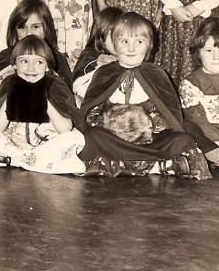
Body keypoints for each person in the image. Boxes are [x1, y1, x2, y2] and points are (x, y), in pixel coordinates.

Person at [78, 12, 211, 179]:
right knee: (92, 137)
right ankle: (158, 165)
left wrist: (150, 125)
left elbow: (169, 114)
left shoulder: (156, 73)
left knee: (181, 140)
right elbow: (91, 109)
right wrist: (107, 122)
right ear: (114, 44)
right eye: (124, 41)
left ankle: (120, 165)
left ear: (149, 45)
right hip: (113, 139)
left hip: (150, 140)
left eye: (139, 42)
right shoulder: (105, 72)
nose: (131, 48)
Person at [0, 36, 86, 174]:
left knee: (74, 138)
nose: (31, 68)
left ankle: (14, 161)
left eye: (39, 62)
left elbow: (66, 129)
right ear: (15, 65)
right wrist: (10, 97)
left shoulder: (55, 85)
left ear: (47, 66)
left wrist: (45, 101)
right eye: (24, 61)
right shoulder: (10, 83)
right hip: (15, 142)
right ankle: (33, 162)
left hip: (45, 145)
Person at [179, 18, 219, 171]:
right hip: (209, 138)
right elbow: (199, 120)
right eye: (209, 50)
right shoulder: (190, 83)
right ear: (198, 54)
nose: (216, 56)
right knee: (187, 126)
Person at [0, 0, 72, 93]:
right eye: (22, 27)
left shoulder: (58, 59)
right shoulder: (6, 56)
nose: (29, 33)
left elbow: (66, 96)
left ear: (46, 28)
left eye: (35, 27)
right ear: (14, 30)